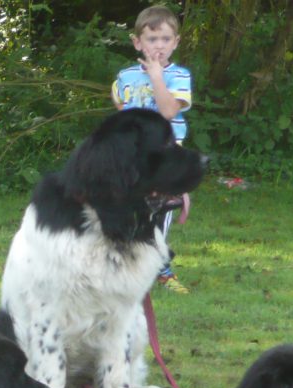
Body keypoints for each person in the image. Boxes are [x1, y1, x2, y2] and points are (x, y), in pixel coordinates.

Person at [112, 5, 193, 294]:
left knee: (160, 215)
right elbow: (121, 109)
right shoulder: (126, 76)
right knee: (128, 209)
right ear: (137, 42)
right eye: (152, 39)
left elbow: (169, 111)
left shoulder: (179, 76)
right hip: (133, 157)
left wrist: (157, 76)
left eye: (166, 39)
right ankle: (126, 266)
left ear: (176, 43)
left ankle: (162, 270)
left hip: (166, 158)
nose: (159, 46)